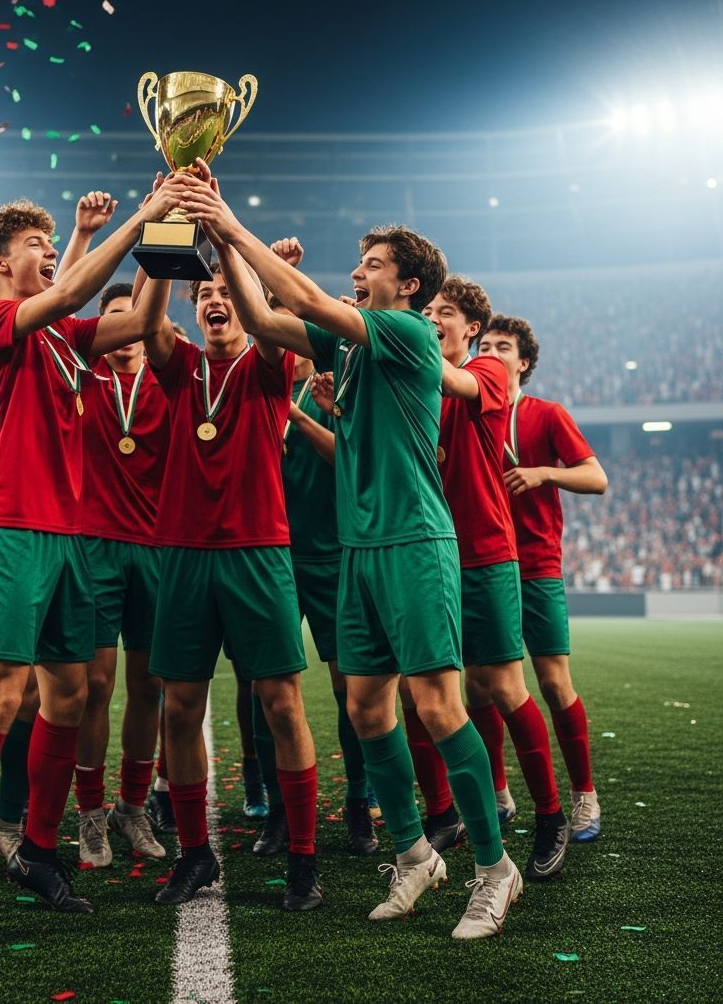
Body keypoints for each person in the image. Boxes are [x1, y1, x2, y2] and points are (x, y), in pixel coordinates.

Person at [179, 165, 520, 939]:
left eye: (372, 265)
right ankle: (412, 855)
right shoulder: (351, 349)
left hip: (414, 543)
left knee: (435, 704)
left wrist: (229, 221)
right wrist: (218, 244)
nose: (358, 271)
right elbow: (269, 324)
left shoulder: (405, 334)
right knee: (367, 707)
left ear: (407, 288)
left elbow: (299, 298)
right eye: (360, 264)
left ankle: (494, 871)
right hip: (359, 547)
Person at [0, 181, 183, 945]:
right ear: (3, 264)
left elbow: (137, 316)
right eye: (36, 244)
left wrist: (170, 231)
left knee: (67, 698)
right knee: (0, 695)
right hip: (10, 526)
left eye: (50, 242)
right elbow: (76, 284)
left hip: (72, 534)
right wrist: (142, 214)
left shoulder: (64, 337)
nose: (50, 251)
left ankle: (39, 850)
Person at [141, 259, 322, 913]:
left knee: (280, 705)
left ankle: (303, 859)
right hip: (185, 553)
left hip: (258, 551)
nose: (216, 302)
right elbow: (146, 320)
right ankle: (195, 854)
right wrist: (167, 231)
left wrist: (223, 238)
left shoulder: (269, 360)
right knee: (181, 708)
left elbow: (271, 320)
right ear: (194, 309)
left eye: (227, 293)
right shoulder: (178, 363)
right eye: (205, 295)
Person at [418, 278, 569, 883]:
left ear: (471, 328)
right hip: (431, 554)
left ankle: (553, 814)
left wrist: (399, 336)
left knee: (505, 686)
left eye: (444, 313)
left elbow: (444, 378)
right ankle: (448, 814)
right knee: (426, 693)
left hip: (484, 553)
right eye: (425, 312)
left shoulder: (486, 370)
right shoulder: (421, 377)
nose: (431, 320)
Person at [251, 238, 377, 858]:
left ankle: (360, 801)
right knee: (266, 685)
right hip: (271, 553)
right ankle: (275, 808)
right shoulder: (254, 383)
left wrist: (299, 420)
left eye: (296, 323)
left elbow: (348, 459)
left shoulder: (336, 383)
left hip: (330, 553)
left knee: (349, 686)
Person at [478, 314, 608, 841]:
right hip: (484, 565)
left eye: (502, 345)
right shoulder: (466, 408)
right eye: (483, 343)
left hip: (535, 567)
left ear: (524, 361)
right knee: (478, 688)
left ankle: (585, 798)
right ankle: (499, 794)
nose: (490, 350)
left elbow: (596, 478)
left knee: (554, 683)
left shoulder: (545, 414)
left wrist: (544, 473)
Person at [73, 282, 170, 867]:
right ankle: (89, 814)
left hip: (158, 549)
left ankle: (132, 808)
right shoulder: (84, 378)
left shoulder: (170, 380)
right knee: (95, 686)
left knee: (151, 686)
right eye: (114, 317)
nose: (125, 327)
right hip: (94, 548)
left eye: (134, 315)